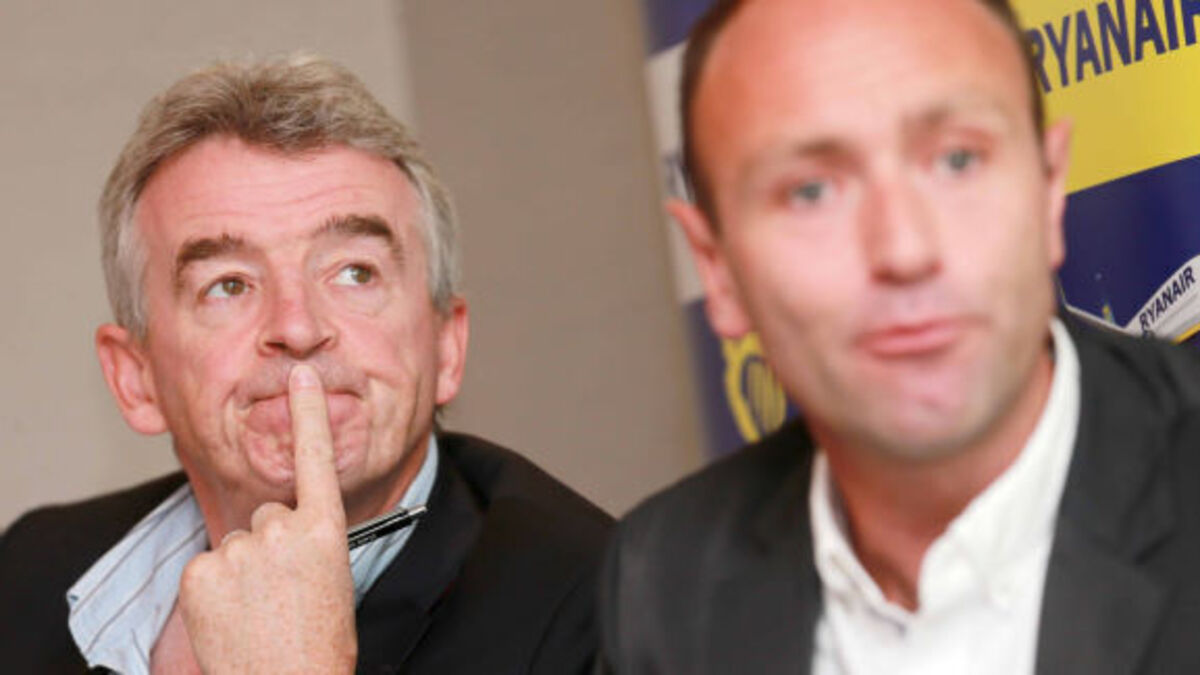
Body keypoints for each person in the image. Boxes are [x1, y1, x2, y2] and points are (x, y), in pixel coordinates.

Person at [600, 0, 1200, 672]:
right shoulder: (669, 583)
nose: (904, 248)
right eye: (811, 192)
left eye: (957, 160)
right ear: (718, 271)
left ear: (1048, 190)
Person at [0, 54, 611, 674]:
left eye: (354, 273)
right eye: (228, 286)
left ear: (446, 345)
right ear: (136, 379)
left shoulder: (607, 614)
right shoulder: (28, 574)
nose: (297, 328)